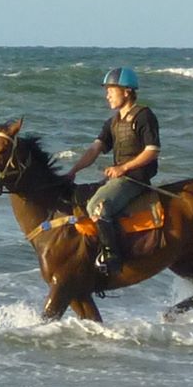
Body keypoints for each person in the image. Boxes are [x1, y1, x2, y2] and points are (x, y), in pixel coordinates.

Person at [65, 67, 160, 275]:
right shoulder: (112, 123)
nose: (107, 95)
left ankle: (112, 256)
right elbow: (94, 149)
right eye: (106, 90)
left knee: (98, 207)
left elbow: (152, 151)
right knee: (75, 197)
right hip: (118, 179)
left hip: (135, 180)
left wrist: (123, 168)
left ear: (126, 91)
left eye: (111, 89)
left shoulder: (144, 116)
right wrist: (74, 170)